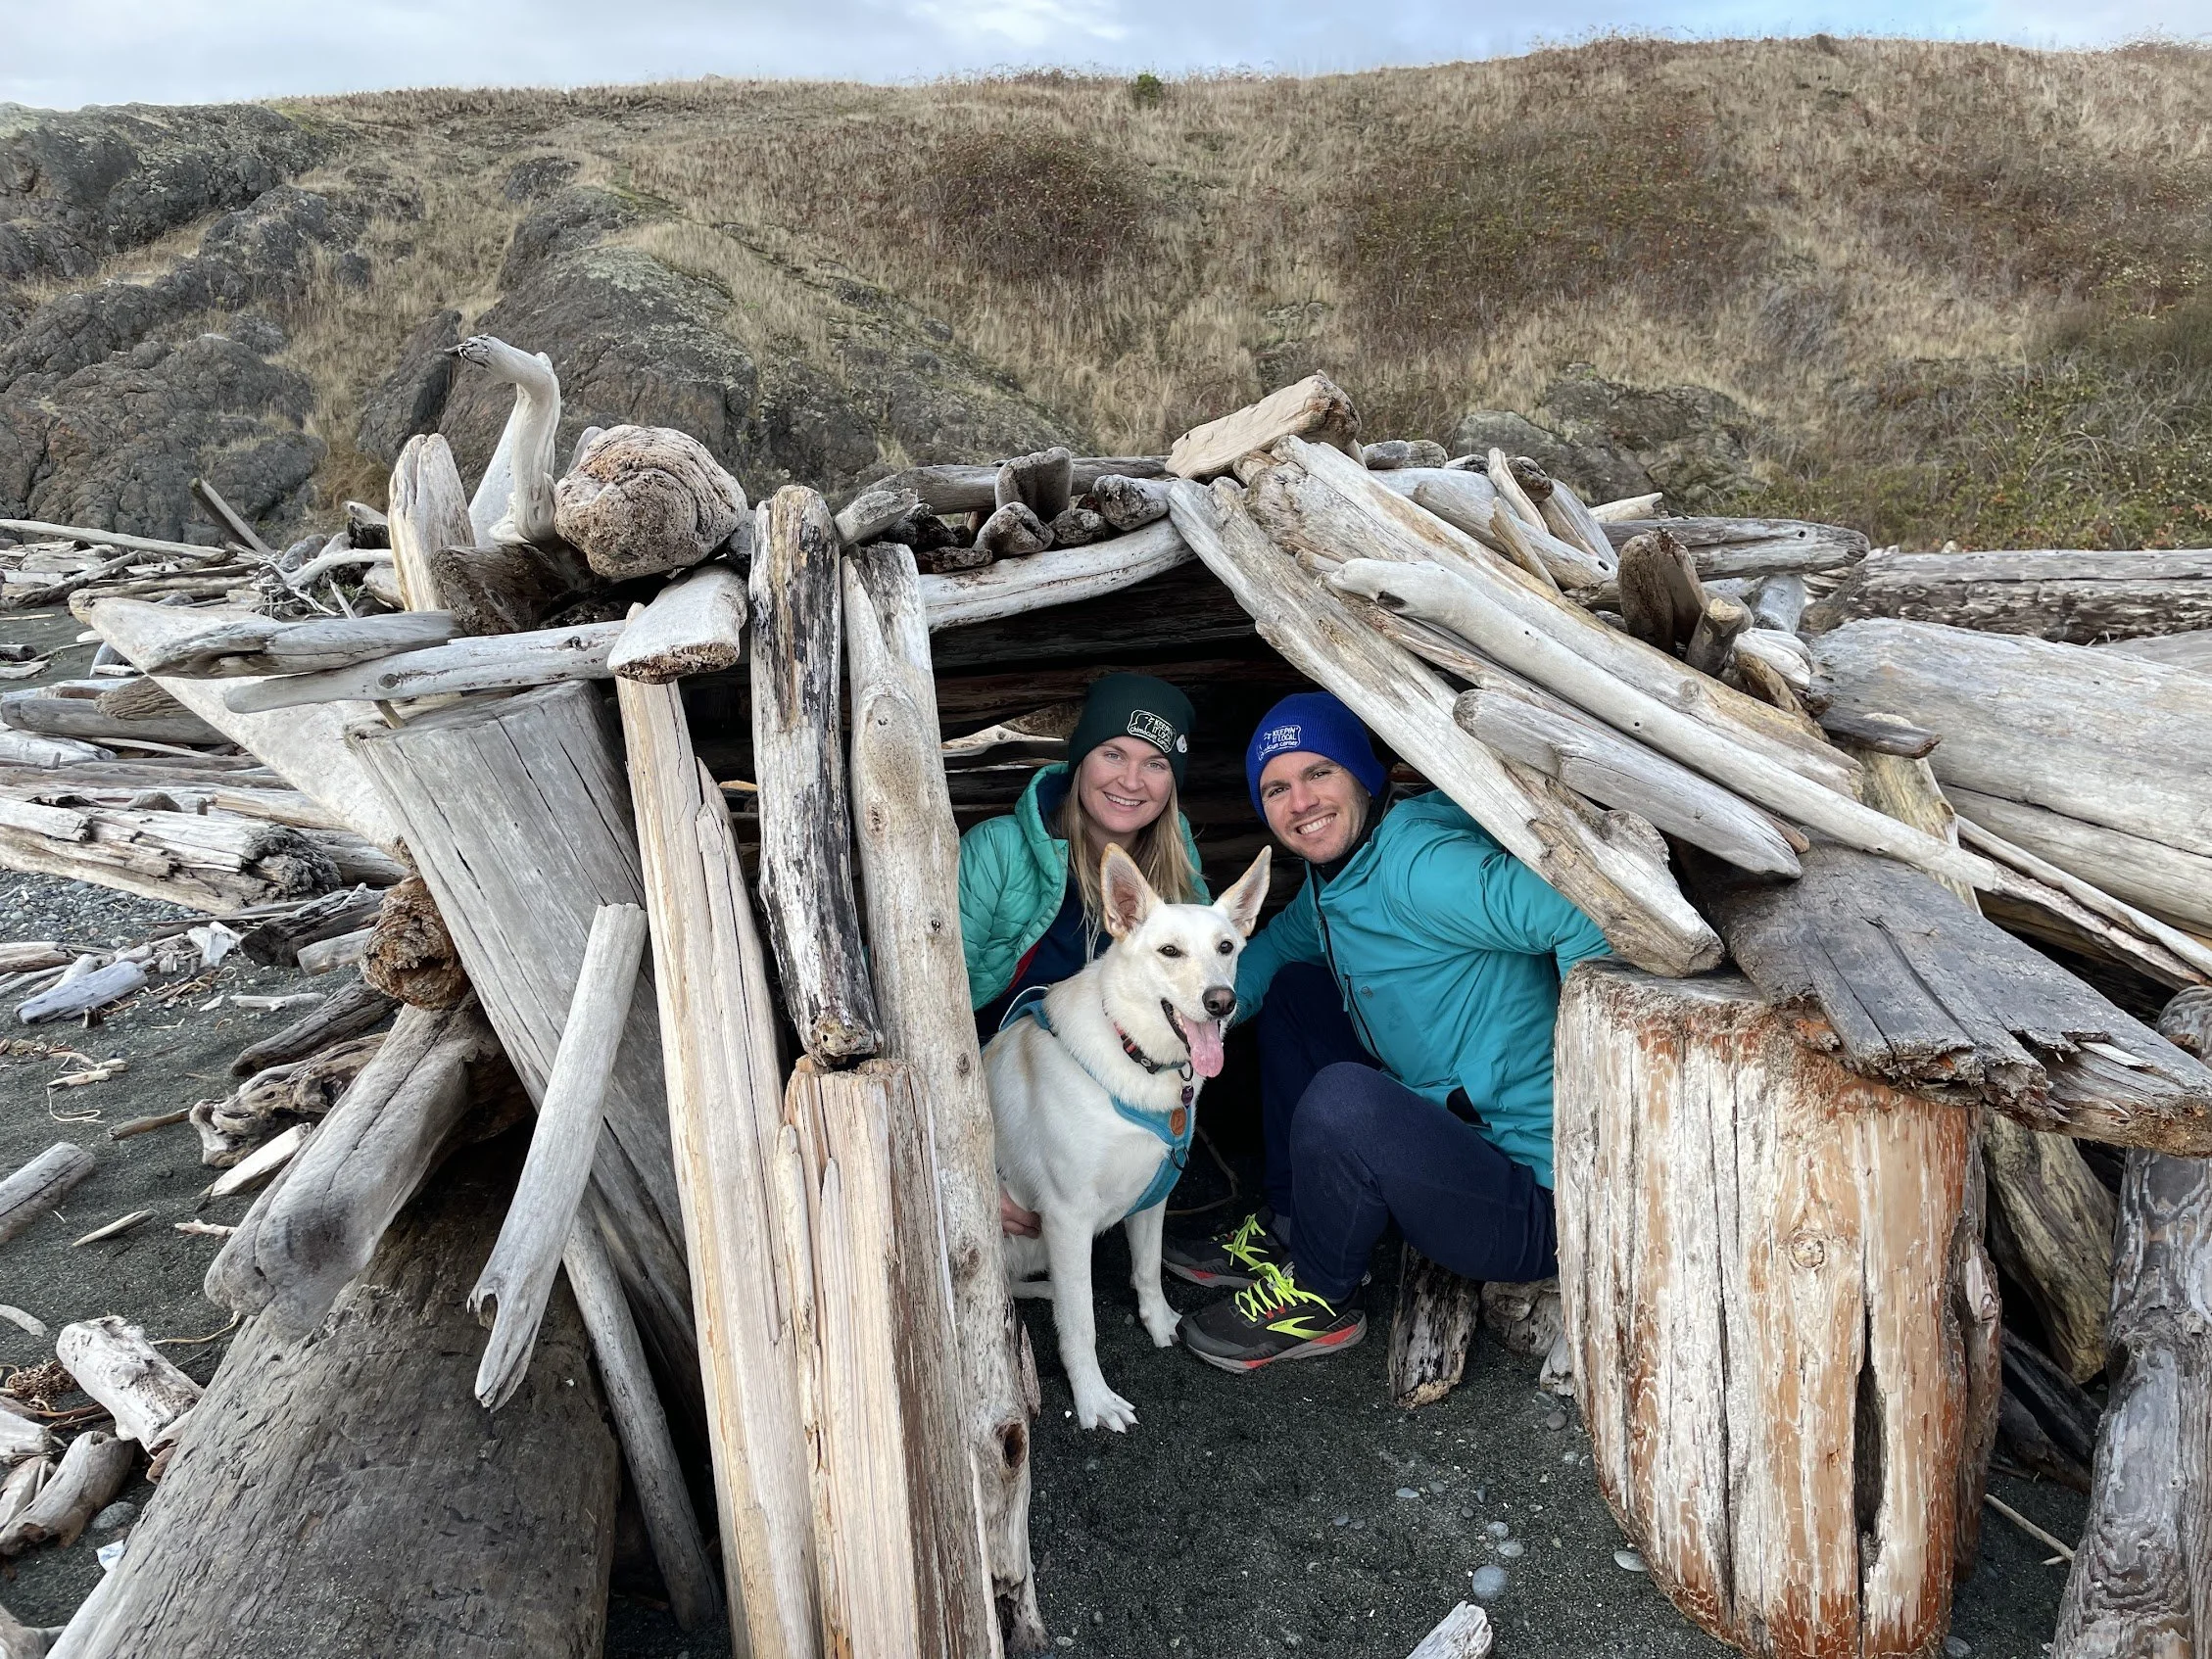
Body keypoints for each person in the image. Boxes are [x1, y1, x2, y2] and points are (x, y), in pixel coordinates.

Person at [1164, 691, 1610, 1372]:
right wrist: (1173, 1030)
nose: (1301, 801)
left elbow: (1582, 917)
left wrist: (1597, 1086)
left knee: (1346, 1100)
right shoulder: (1337, 880)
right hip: (1459, 1135)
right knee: (1296, 995)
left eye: (1320, 773)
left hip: (1540, 1195)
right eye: (1277, 788)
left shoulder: (1419, 871)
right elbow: (1274, 956)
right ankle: (1294, 1225)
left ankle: (1320, 1291)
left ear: (1363, 775)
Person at [958, 672, 1208, 1236]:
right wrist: (966, 1160)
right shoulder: (998, 851)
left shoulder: (1178, 870)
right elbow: (918, 1008)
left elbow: (1199, 993)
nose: (1131, 780)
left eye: (1156, 763)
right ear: (1079, 761)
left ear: (1173, 783)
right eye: (1113, 753)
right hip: (996, 1106)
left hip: (1106, 1117)